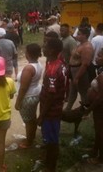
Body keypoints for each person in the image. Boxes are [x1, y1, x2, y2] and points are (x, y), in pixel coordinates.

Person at [37, 38, 68, 172]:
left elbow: (50, 96)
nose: (43, 48)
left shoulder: (53, 70)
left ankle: (51, 167)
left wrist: (41, 116)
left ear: (52, 50)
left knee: (52, 140)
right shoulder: (58, 63)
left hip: (50, 112)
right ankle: (48, 159)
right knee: (50, 138)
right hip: (54, 109)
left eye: (46, 46)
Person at [15, 43, 43, 148]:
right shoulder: (38, 64)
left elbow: (23, 88)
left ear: (28, 53)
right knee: (32, 118)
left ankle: (29, 141)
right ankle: (32, 137)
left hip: (28, 97)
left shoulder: (28, 68)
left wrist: (18, 102)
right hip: (35, 94)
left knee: (28, 121)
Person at [65, 25, 94, 110]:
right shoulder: (80, 44)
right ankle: (68, 109)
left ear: (85, 36)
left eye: (79, 34)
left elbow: (85, 64)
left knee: (83, 92)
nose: (76, 35)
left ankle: (86, 111)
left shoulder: (87, 47)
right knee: (72, 91)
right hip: (74, 71)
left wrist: (77, 77)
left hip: (80, 72)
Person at [85, 48, 103, 165]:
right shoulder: (100, 71)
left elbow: (100, 97)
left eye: (100, 56)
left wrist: (88, 109)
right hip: (98, 108)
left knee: (100, 132)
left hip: (100, 108)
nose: (96, 58)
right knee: (98, 130)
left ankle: (100, 158)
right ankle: (94, 150)